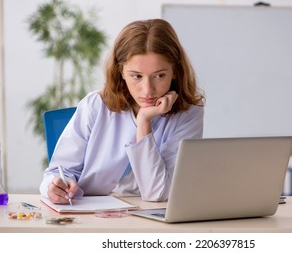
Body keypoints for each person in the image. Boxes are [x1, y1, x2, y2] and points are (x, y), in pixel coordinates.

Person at [39, 19, 205, 203]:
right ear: (121, 72)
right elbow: (57, 172)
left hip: (147, 220)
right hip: (89, 218)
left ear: (175, 71)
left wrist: (144, 123)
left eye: (159, 76)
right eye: (136, 76)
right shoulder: (95, 105)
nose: (147, 89)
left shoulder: (189, 114)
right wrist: (54, 187)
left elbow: (159, 193)